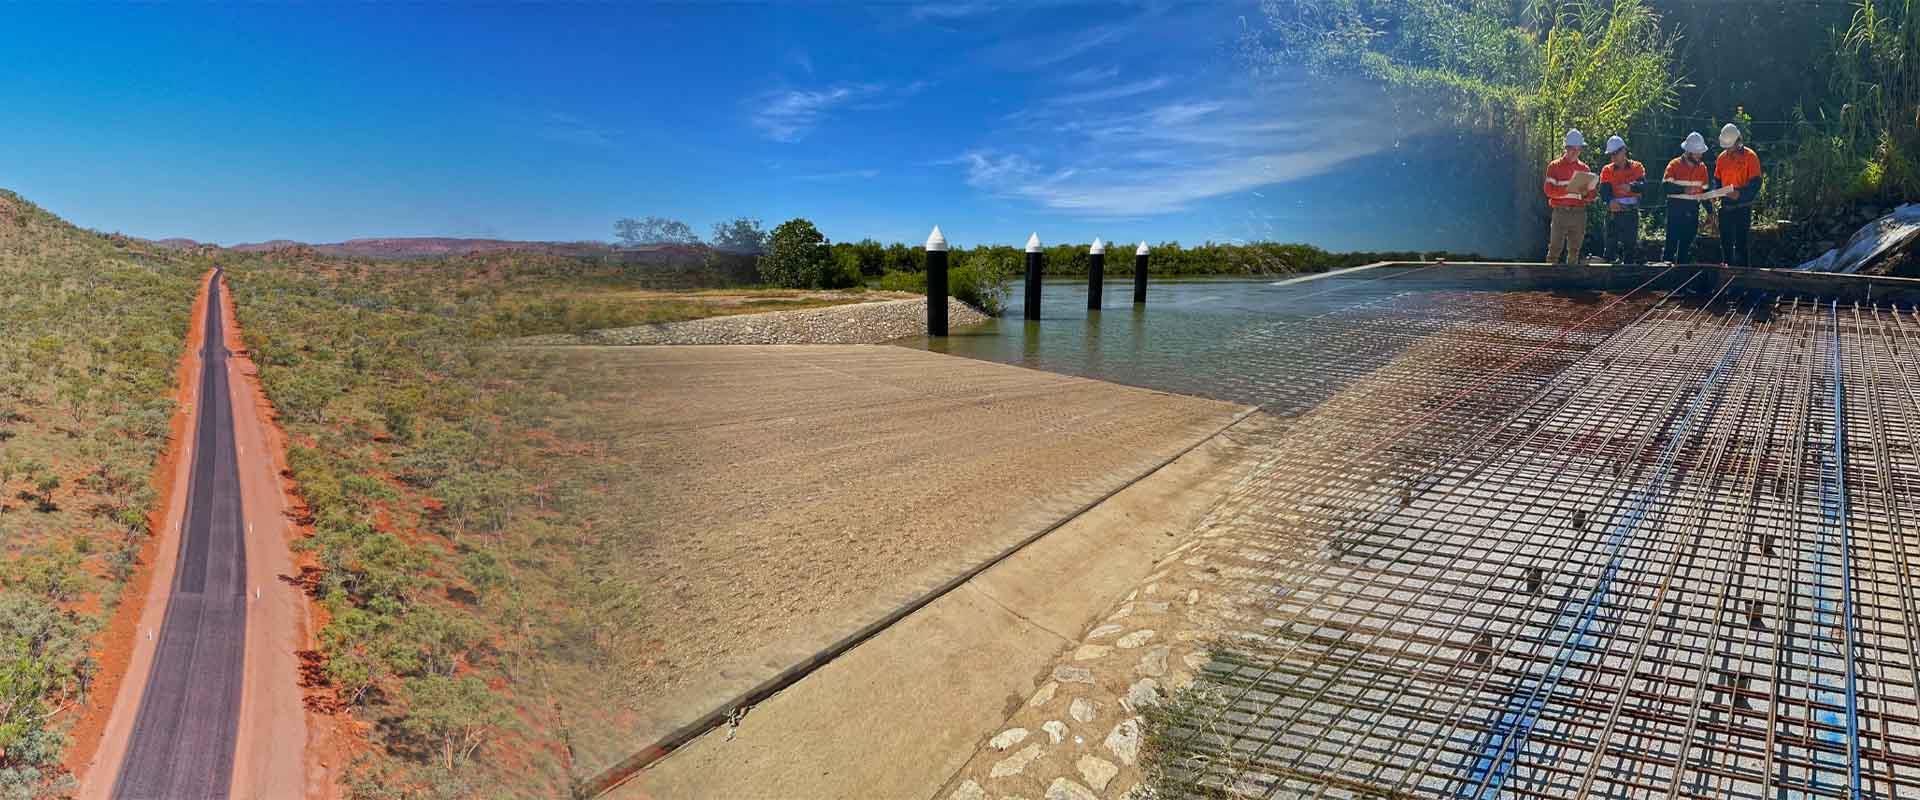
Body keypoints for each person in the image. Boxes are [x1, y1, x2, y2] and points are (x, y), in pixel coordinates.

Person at [1543, 129, 1597, 264]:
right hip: (1560, 212)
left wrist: (1586, 194)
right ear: (1566, 148)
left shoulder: (1585, 169)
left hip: (1579, 213)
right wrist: (1567, 190)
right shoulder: (1554, 166)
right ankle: (1547, 279)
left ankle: (1570, 281)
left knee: (1575, 250)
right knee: (1554, 249)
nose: (1576, 152)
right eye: (1573, 148)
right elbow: (1548, 190)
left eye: (1579, 149)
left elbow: (1591, 195)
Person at [1713, 122, 1764, 266]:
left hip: (1743, 207)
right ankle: (1727, 272)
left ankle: (1742, 278)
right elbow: (1717, 179)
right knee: (1726, 243)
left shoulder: (1750, 156)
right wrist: (1718, 193)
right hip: (1726, 206)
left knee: (1742, 243)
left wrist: (1740, 195)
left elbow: (1756, 183)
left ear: (1737, 141)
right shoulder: (1721, 158)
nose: (1728, 149)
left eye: (1730, 145)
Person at [1662, 132, 1711, 263]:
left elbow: (1705, 193)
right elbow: (1665, 186)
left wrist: (1711, 212)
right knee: (1671, 244)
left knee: (1685, 246)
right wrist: (1683, 190)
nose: (1701, 155)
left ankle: (1681, 272)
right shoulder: (1674, 164)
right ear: (1689, 152)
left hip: (1692, 210)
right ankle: (1664, 273)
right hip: (1675, 209)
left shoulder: (1702, 168)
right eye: (1698, 152)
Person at [1597, 136, 1646, 263]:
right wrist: (1610, 201)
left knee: (1630, 247)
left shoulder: (1637, 167)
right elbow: (1604, 191)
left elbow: (1643, 186)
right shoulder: (1607, 170)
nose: (1613, 157)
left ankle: (1627, 276)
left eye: (1615, 154)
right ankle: (1607, 278)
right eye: (1611, 155)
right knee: (1610, 247)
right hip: (1614, 213)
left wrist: (1630, 187)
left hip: (1631, 212)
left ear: (1624, 150)